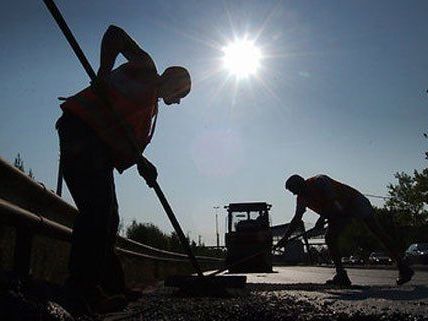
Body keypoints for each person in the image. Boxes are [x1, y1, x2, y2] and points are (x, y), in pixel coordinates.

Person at [55, 25, 191, 313]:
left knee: (109, 215)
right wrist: (104, 72)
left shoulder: (149, 109)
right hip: (82, 132)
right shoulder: (145, 67)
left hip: (97, 147)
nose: (178, 102)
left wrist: (144, 164)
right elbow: (114, 34)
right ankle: (80, 290)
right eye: (181, 94)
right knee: (98, 211)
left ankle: (110, 287)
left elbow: (124, 141)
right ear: (172, 80)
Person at [278, 174, 414, 287]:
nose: (295, 193)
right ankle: (341, 275)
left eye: (294, 190)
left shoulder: (320, 181)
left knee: (377, 232)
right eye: (292, 192)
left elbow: (334, 202)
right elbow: (296, 219)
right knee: (330, 238)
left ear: (301, 183)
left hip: (354, 202)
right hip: (338, 212)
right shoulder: (301, 198)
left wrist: (322, 218)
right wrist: (285, 238)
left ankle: (403, 267)